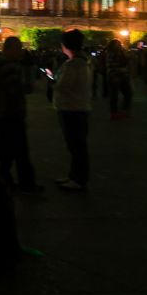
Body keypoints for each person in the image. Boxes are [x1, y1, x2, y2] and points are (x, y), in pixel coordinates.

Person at [0, 36, 41, 193]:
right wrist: (29, 86)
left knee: (5, 150)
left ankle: (4, 181)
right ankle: (26, 184)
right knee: (20, 150)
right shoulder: (11, 67)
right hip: (11, 112)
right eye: (18, 48)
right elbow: (15, 91)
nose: (21, 52)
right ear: (9, 50)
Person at [53, 29, 92, 191]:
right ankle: (74, 176)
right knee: (77, 146)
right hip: (80, 107)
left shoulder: (73, 65)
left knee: (76, 146)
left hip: (71, 108)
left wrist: (53, 81)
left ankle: (78, 179)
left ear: (66, 46)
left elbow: (63, 86)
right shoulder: (83, 62)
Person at [104, 39, 132, 120]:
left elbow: (126, 61)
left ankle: (124, 111)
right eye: (117, 44)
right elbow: (111, 65)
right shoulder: (111, 53)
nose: (119, 45)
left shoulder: (122, 52)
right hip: (114, 76)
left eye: (119, 44)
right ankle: (114, 113)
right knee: (114, 95)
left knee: (128, 93)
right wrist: (121, 69)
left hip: (122, 76)